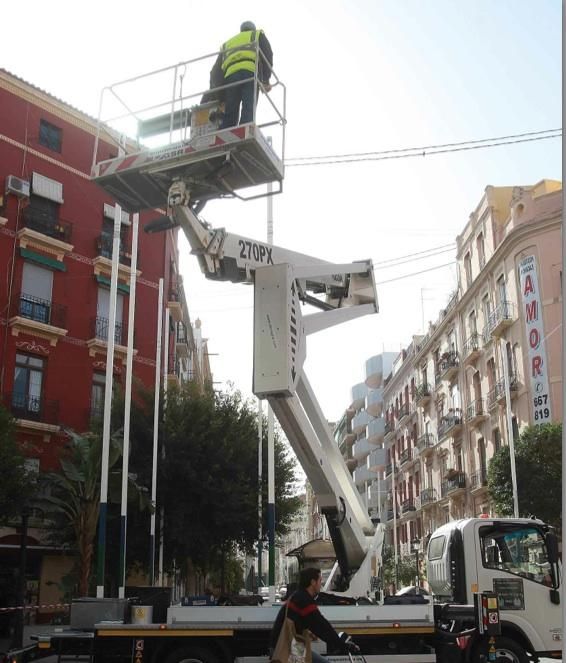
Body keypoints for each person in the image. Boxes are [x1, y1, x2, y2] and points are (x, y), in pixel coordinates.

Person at [270, 568, 360, 663]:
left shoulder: (298, 596)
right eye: (320, 580)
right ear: (313, 582)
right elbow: (321, 625)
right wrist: (342, 645)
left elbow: (306, 622)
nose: (320, 585)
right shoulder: (303, 599)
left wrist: (309, 633)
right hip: (288, 648)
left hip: (289, 646)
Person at [217, 21, 273, 128]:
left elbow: (217, 73)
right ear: (252, 29)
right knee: (248, 108)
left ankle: (226, 131)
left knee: (230, 111)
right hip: (249, 74)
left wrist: (221, 98)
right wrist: (266, 80)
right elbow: (268, 54)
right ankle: (244, 130)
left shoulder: (227, 44)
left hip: (230, 77)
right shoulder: (256, 35)